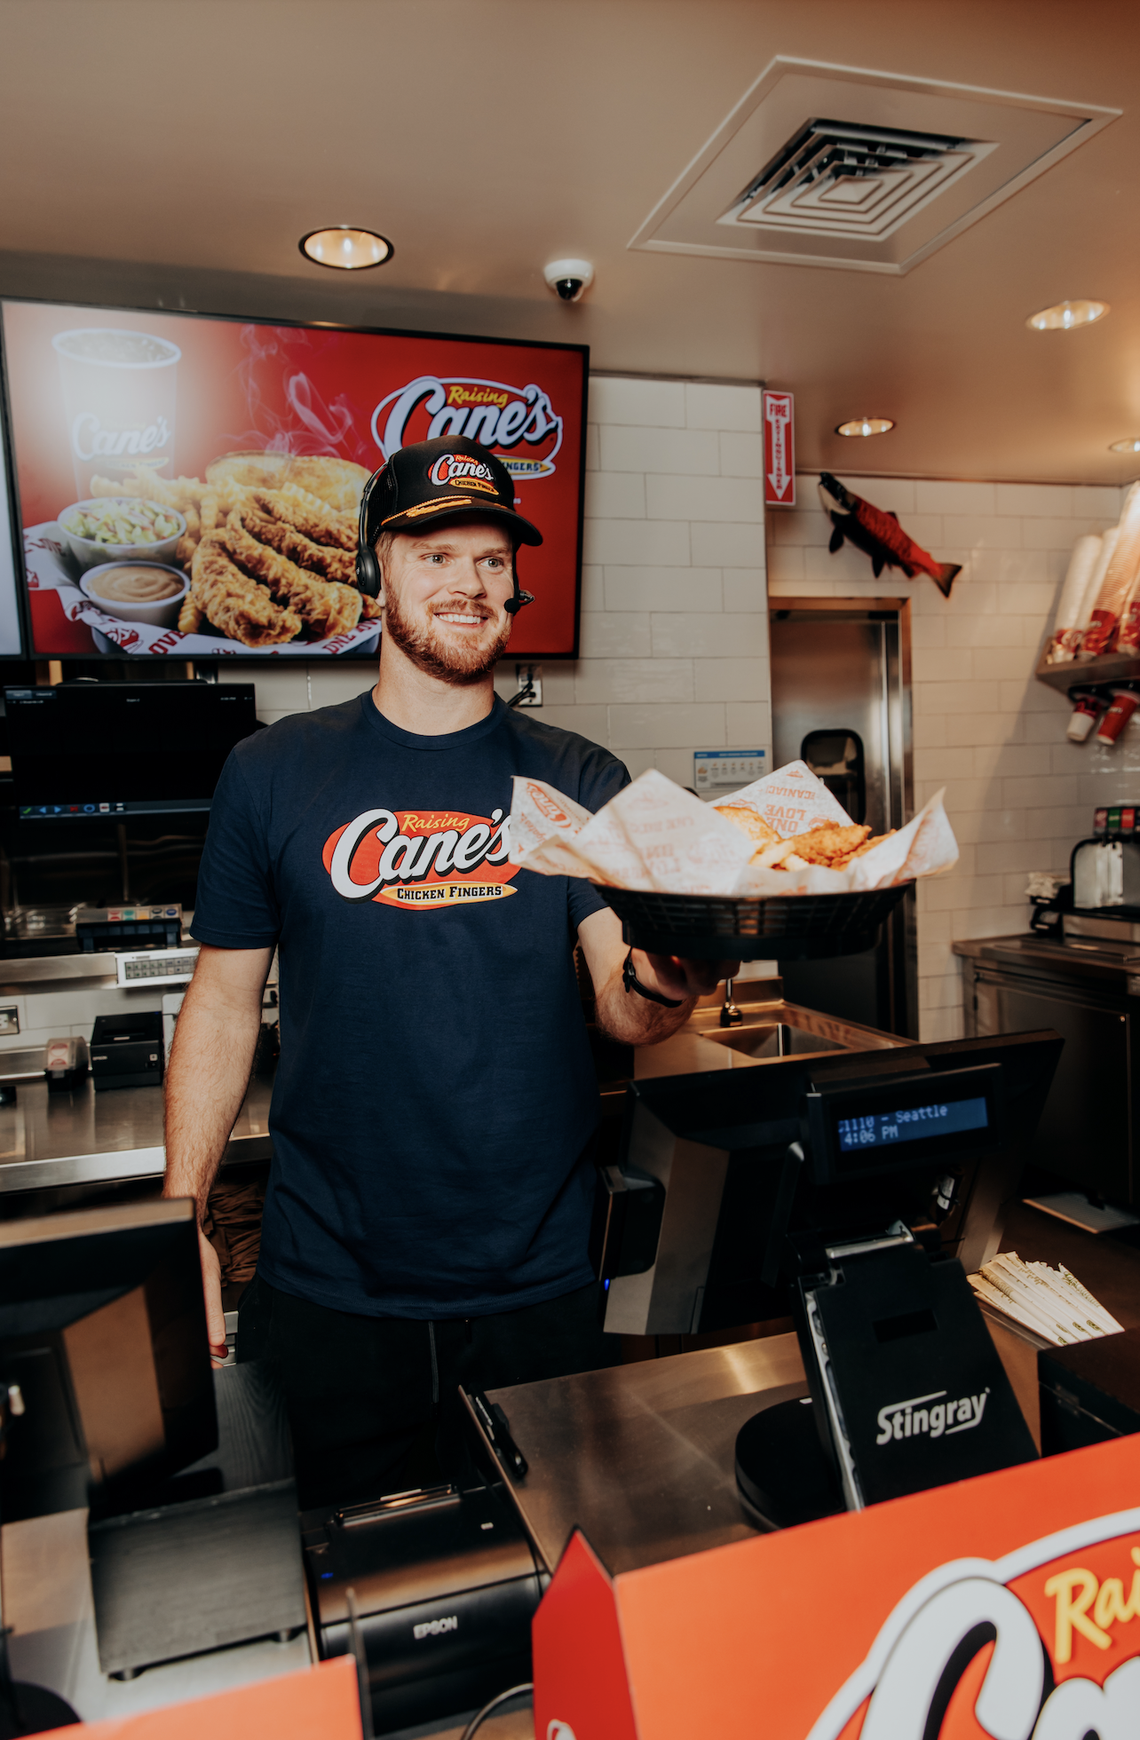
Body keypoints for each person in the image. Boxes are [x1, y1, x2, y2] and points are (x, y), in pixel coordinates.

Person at [163, 435, 737, 1505]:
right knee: (337, 1603)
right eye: (435, 554)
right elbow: (221, 1007)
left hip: (539, 1287)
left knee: (544, 1588)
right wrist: (178, 1220)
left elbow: (623, 1002)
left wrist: (673, 970)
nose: (468, 584)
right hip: (329, 1284)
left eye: (490, 560)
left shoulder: (574, 777)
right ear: (377, 566)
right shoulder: (272, 773)